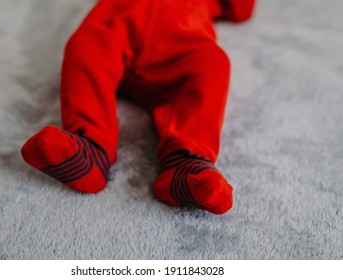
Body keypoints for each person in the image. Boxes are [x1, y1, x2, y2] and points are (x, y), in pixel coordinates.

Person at [21, 0, 256, 215]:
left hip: (179, 45)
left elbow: (242, 10)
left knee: (213, 64)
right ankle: (91, 146)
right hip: (114, 29)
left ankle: (185, 160)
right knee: (84, 46)